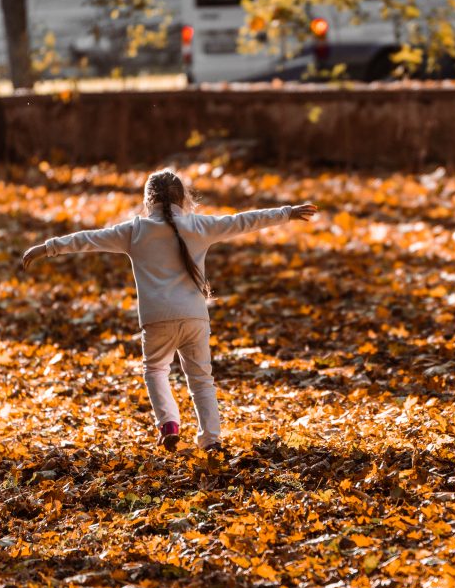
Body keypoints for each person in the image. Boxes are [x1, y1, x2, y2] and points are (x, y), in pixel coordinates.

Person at [21, 168, 317, 453]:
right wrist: (287, 212)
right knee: (201, 380)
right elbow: (243, 221)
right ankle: (211, 440)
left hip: (156, 319)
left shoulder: (135, 231)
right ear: (183, 198)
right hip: (194, 318)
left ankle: (169, 424)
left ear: (148, 200)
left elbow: (88, 239)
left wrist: (47, 247)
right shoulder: (198, 226)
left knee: (155, 370)